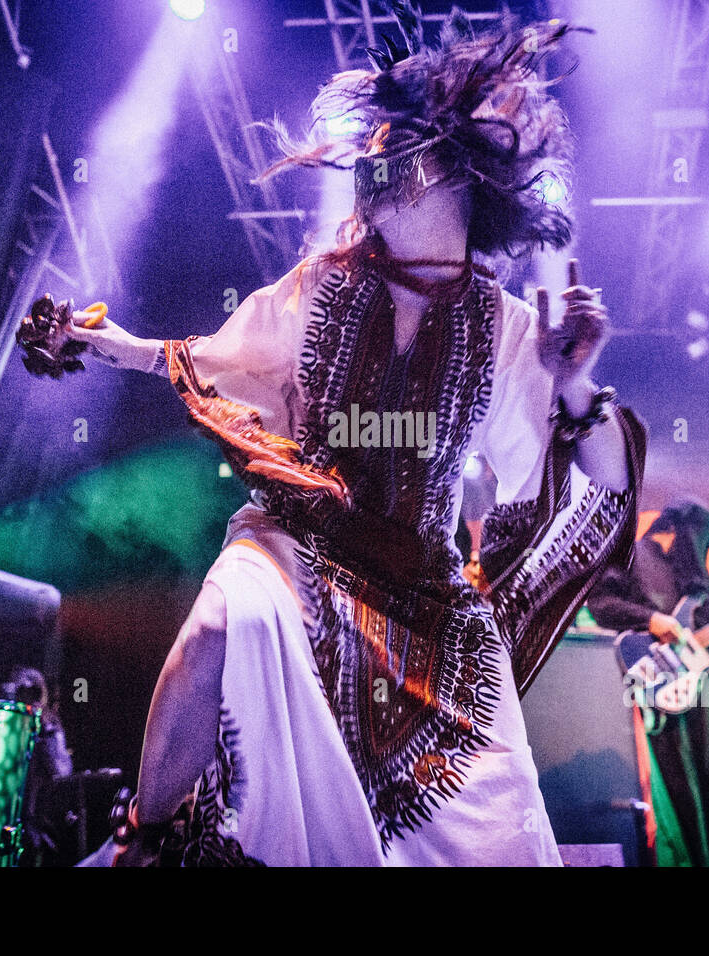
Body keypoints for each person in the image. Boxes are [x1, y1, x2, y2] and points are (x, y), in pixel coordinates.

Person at [61, 12, 646, 865]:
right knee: (221, 623)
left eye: (397, 140)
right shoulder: (321, 286)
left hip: (425, 595)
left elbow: (602, 483)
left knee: (500, 822)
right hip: (299, 541)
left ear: (455, 166)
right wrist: (106, 344)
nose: (372, 158)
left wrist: (573, 380)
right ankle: (139, 844)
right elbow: (213, 359)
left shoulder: (509, 327)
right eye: (370, 142)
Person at [586, 498, 709, 866]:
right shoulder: (633, 555)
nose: (701, 544)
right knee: (684, 779)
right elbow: (601, 604)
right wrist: (652, 618)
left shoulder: (695, 580)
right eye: (699, 536)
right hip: (666, 686)